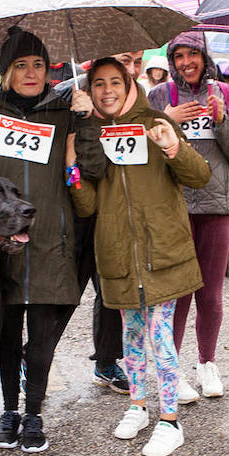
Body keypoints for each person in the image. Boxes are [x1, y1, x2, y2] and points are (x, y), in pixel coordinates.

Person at [0, 28, 108, 453]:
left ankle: (34, 412)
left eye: (38, 64)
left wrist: (87, 118)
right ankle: (10, 410)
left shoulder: (67, 111)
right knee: (6, 336)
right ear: (5, 74)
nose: (31, 73)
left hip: (52, 238)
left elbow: (93, 168)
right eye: (20, 66)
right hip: (1, 248)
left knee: (41, 340)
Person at [69, 57, 211, 456]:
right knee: (130, 337)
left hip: (162, 251)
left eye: (115, 81)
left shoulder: (155, 122)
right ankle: (137, 405)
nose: (107, 90)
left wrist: (172, 146)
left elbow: (200, 176)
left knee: (160, 337)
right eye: (98, 84)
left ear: (130, 83)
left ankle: (170, 421)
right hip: (118, 255)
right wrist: (72, 168)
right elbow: (86, 205)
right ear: (90, 90)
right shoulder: (91, 134)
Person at [147, 31, 229, 400]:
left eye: (193, 54)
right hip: (172, 208)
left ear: (205, 57)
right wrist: (166, 119)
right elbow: (142, 151)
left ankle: (207, 363)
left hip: (215, 206)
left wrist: (222, 121)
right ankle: (171, 370)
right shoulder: (159, 96)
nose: (186, 62)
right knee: (177, 294)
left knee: (211, 294)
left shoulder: (228, 94)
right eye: (178, 56)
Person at [53, 51, 147, 393]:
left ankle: (107, 362)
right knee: (66, 292)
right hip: (76, 210)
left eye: (137, 61)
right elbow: (86, 164)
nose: (133, 67)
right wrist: (82, 118)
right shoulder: (68, 93)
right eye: (127, 59)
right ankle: (35, 357)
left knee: (111, 292)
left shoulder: (135, 95)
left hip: (114, 212)